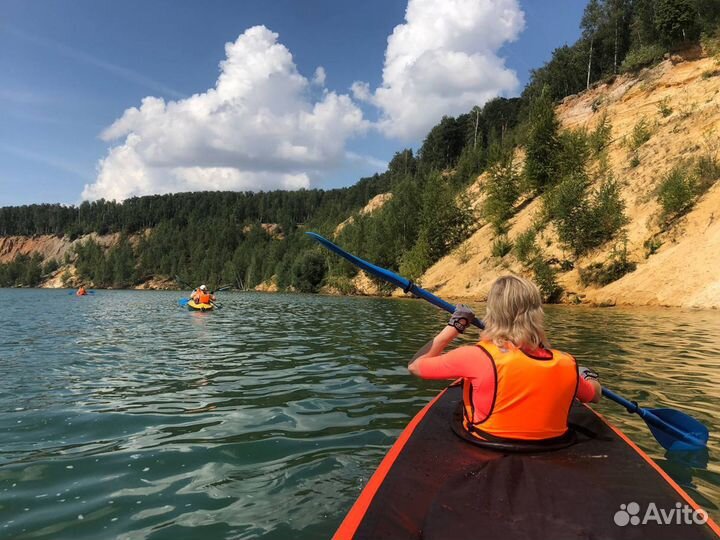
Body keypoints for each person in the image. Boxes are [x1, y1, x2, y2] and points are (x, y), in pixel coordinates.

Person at [408, 274, 601, 445]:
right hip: (550, 446)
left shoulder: (474, 357)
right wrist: (586, 375)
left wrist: (455, 326)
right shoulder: (567, 363)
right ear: (537, 313)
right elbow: (595, 395)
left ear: (492, 312)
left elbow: (415, 367)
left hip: (486, 441)